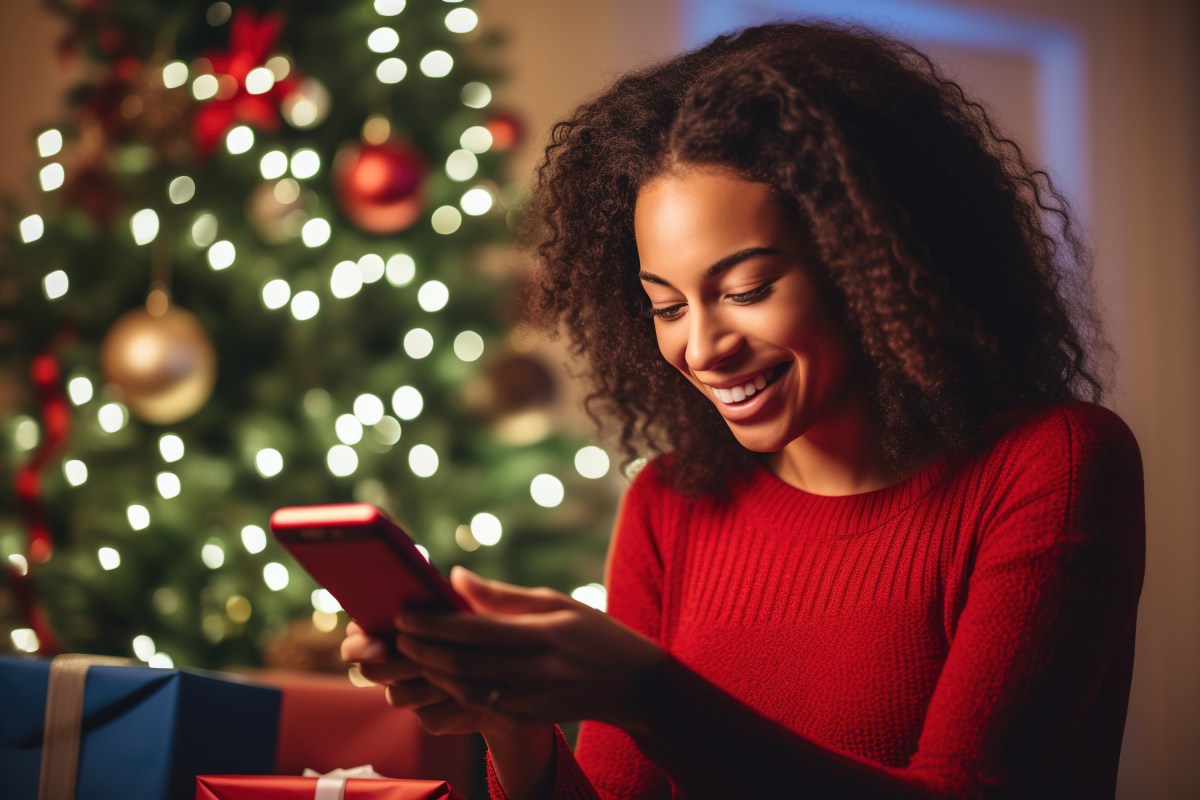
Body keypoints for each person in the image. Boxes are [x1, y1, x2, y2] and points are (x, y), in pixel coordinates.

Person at [341, 21, 1145, 799]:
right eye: (665, 306)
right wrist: (511, 729)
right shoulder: (671, 504)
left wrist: (649, 695)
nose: (702, 346)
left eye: (747, 290)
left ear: (872, 262)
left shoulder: (1056, 465)